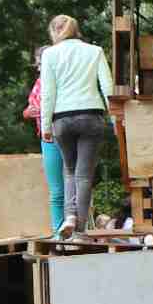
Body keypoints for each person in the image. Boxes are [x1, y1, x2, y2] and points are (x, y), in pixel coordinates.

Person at [40, 14, 116, 237]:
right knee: (84, 175)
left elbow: (47, 93)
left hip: (62, 119)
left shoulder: (49, 54)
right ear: (76, 30)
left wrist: (46, 125)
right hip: (91, 116)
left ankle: (70, 217)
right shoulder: (95, 51)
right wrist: (115, 119)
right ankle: (79, 230)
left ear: (54, 32)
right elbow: (108, 87)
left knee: (69, 170)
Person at [24, 49, 64, 235]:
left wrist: (43, 110)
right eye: (38, 65)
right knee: (56, 190)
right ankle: (58, 232)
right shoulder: (39, 83)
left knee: (74, 185)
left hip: (66, 135)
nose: (39, 68)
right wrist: (29, 112)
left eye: (41, 64)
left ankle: (79, 230)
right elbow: (28, 109)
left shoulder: (64, 81)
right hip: (48, 138)